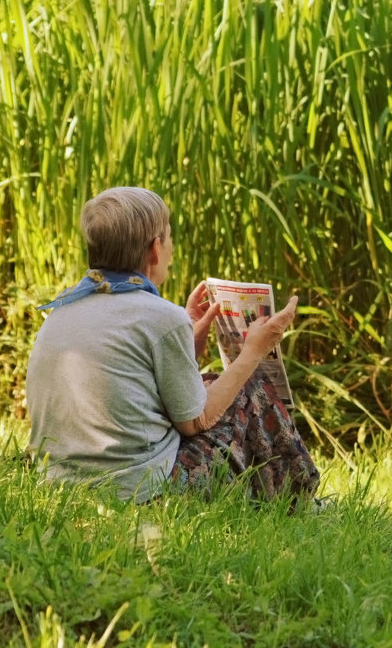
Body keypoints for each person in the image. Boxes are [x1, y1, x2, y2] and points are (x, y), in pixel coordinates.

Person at [26, 186, 320, 504]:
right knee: (250, 385)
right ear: (155, 248)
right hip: (138, 491)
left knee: (209, 383)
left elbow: (133, 386)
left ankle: (281, 495)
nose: (171, 247)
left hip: (60, 484)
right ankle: (300, 500)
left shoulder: (62, 310)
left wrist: (188, 342)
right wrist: (253, 352)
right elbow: (195, 422)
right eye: (169, 236)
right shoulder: (161, 316)